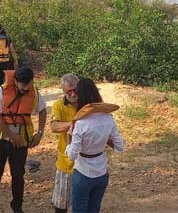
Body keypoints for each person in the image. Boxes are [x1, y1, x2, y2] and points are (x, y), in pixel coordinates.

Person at [0, 67, 47, 213]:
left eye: (27, 84)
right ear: (15, 81)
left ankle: (17, 207)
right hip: (0, 141)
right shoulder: (1, 90)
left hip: (21, 142)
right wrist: (12, 137)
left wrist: (40, 133)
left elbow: (42, 111)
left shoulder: (34, 92)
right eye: (21, 85)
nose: (24, 88)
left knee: (18, 176)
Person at [65, 78, 125, 213]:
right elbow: (120, 146)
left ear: (80, 96)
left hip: (83, 173)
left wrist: (68, 143)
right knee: (94, 209)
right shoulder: (108, 118)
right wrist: (104, 139)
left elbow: (72, 156)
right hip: (102, 172)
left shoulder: (79, 123)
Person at [50, 74, 79, 213]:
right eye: (69, 91)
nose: (73, 94)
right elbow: (54, 127)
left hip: (85, 164)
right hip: (65, 162)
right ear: (63, 90)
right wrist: (77, 124)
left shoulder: (88, 103)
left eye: (75, 90)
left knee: (81, 205)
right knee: (61, 204)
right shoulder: (58, 105)